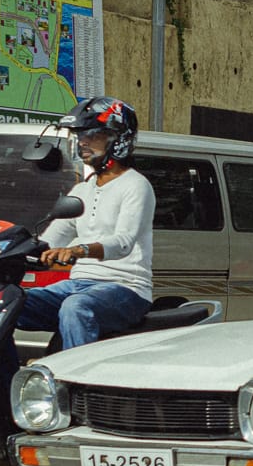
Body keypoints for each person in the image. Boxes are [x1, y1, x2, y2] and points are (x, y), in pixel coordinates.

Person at [18, 97, 155, 349]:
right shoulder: (82, 189)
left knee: (76, 306)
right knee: (10, 302)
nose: (83, 141)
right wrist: (12, 250)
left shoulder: (136, 185)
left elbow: (123, 242)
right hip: (77, 285)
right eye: (80, 135)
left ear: (118, 138)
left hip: (125, 288)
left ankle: (74, 383)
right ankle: (2, 381)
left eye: (93, 135)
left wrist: (77, 250)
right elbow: (52, 238)